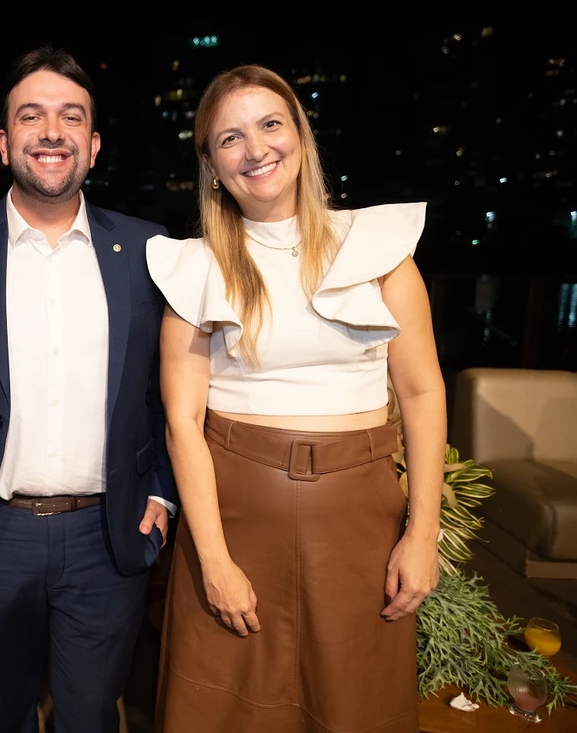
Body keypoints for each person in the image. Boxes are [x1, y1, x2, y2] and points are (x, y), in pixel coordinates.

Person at [146, 64, 444, 732]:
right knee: (223, 709)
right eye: (229, 138)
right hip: (235, 519)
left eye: (270, 125)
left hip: (361, 522)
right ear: (212, 166)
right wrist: (214, 561)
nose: (255, 150)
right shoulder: (192, 267)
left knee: (354, 706)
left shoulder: (379, 247)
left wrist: (423, 534)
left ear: (301, 139)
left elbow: (422, 393)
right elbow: (182, 421)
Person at [0, 44, 177, 733]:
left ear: (92, 145)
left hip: (109, 532)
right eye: (31, 117)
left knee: (91, 716)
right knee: (2, 713)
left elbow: (170, 391)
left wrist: (161, 491)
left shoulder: (150, 253)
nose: (50, 131)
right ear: (4, 142)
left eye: (69, 117)